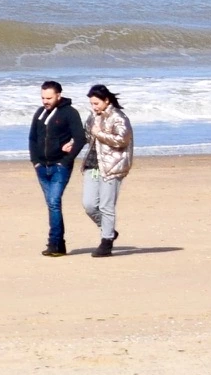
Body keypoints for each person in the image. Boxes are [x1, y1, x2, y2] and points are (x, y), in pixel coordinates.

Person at [26, 81, 84, 257]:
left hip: (60, 166)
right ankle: (59, 245)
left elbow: (80, 138)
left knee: (53, 202)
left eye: (49, 98)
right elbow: (32, 138)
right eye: (43, 97)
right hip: (42, 167)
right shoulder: (40, 113)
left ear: (59, 95)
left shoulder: (70, 113)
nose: (45, 101)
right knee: (52, 205)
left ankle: (54, 243)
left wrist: (66, 160)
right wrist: (35, 161)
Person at [81, 84, 134, 258]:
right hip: (93, 164)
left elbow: (122, 139)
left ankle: (106, 241)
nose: (94, 107)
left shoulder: (118, 117)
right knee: (89, 204)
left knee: (106, 205)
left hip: (112, 166)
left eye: (96, 103)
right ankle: (109, 230)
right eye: (91, 104)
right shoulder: (92, 116)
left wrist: (100, 133)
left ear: (106, 101)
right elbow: (87, 136)